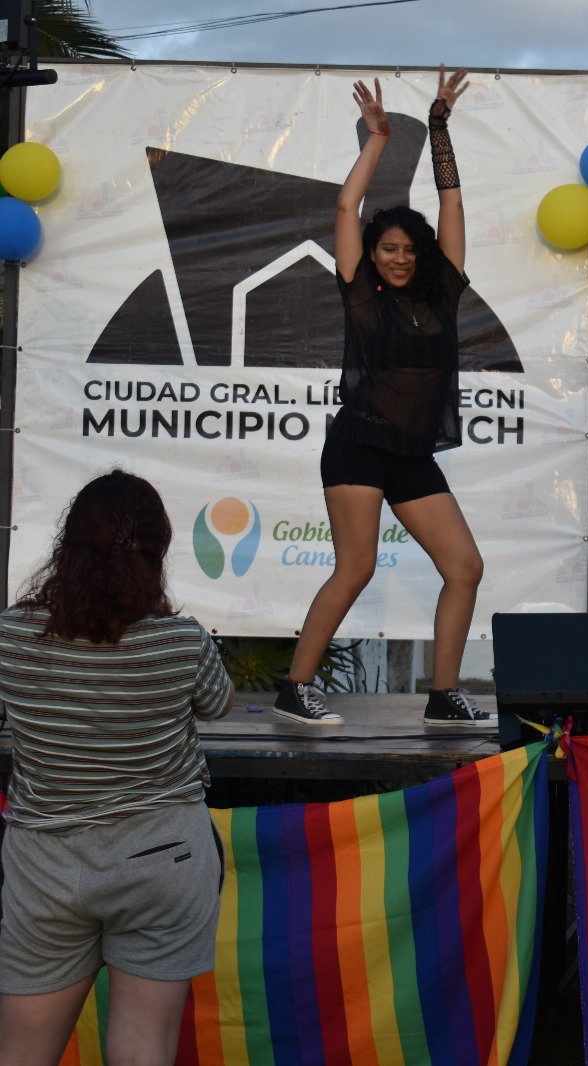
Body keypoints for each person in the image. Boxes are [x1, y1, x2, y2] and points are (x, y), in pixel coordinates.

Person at [275, 66, 491, 728]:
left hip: (410, 453)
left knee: (465, 566)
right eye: (386, 248)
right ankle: (295, 688)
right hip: (359, 445)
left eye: (407, 249)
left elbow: (452, 206)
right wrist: (376, 141)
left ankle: (443, 693)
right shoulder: (362, 297)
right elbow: (346, 209)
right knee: (358, 566)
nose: (397, 257)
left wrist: (438, 127)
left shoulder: (442, 292)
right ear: (372, 254)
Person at [0, 470, 235, 1066]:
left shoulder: (10, 635)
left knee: (22, 1052)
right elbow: (219, 703)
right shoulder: (181, 641)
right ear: (156, 554)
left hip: (44, 863)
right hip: (164, 857)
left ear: (67, 548)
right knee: (143, 1049)